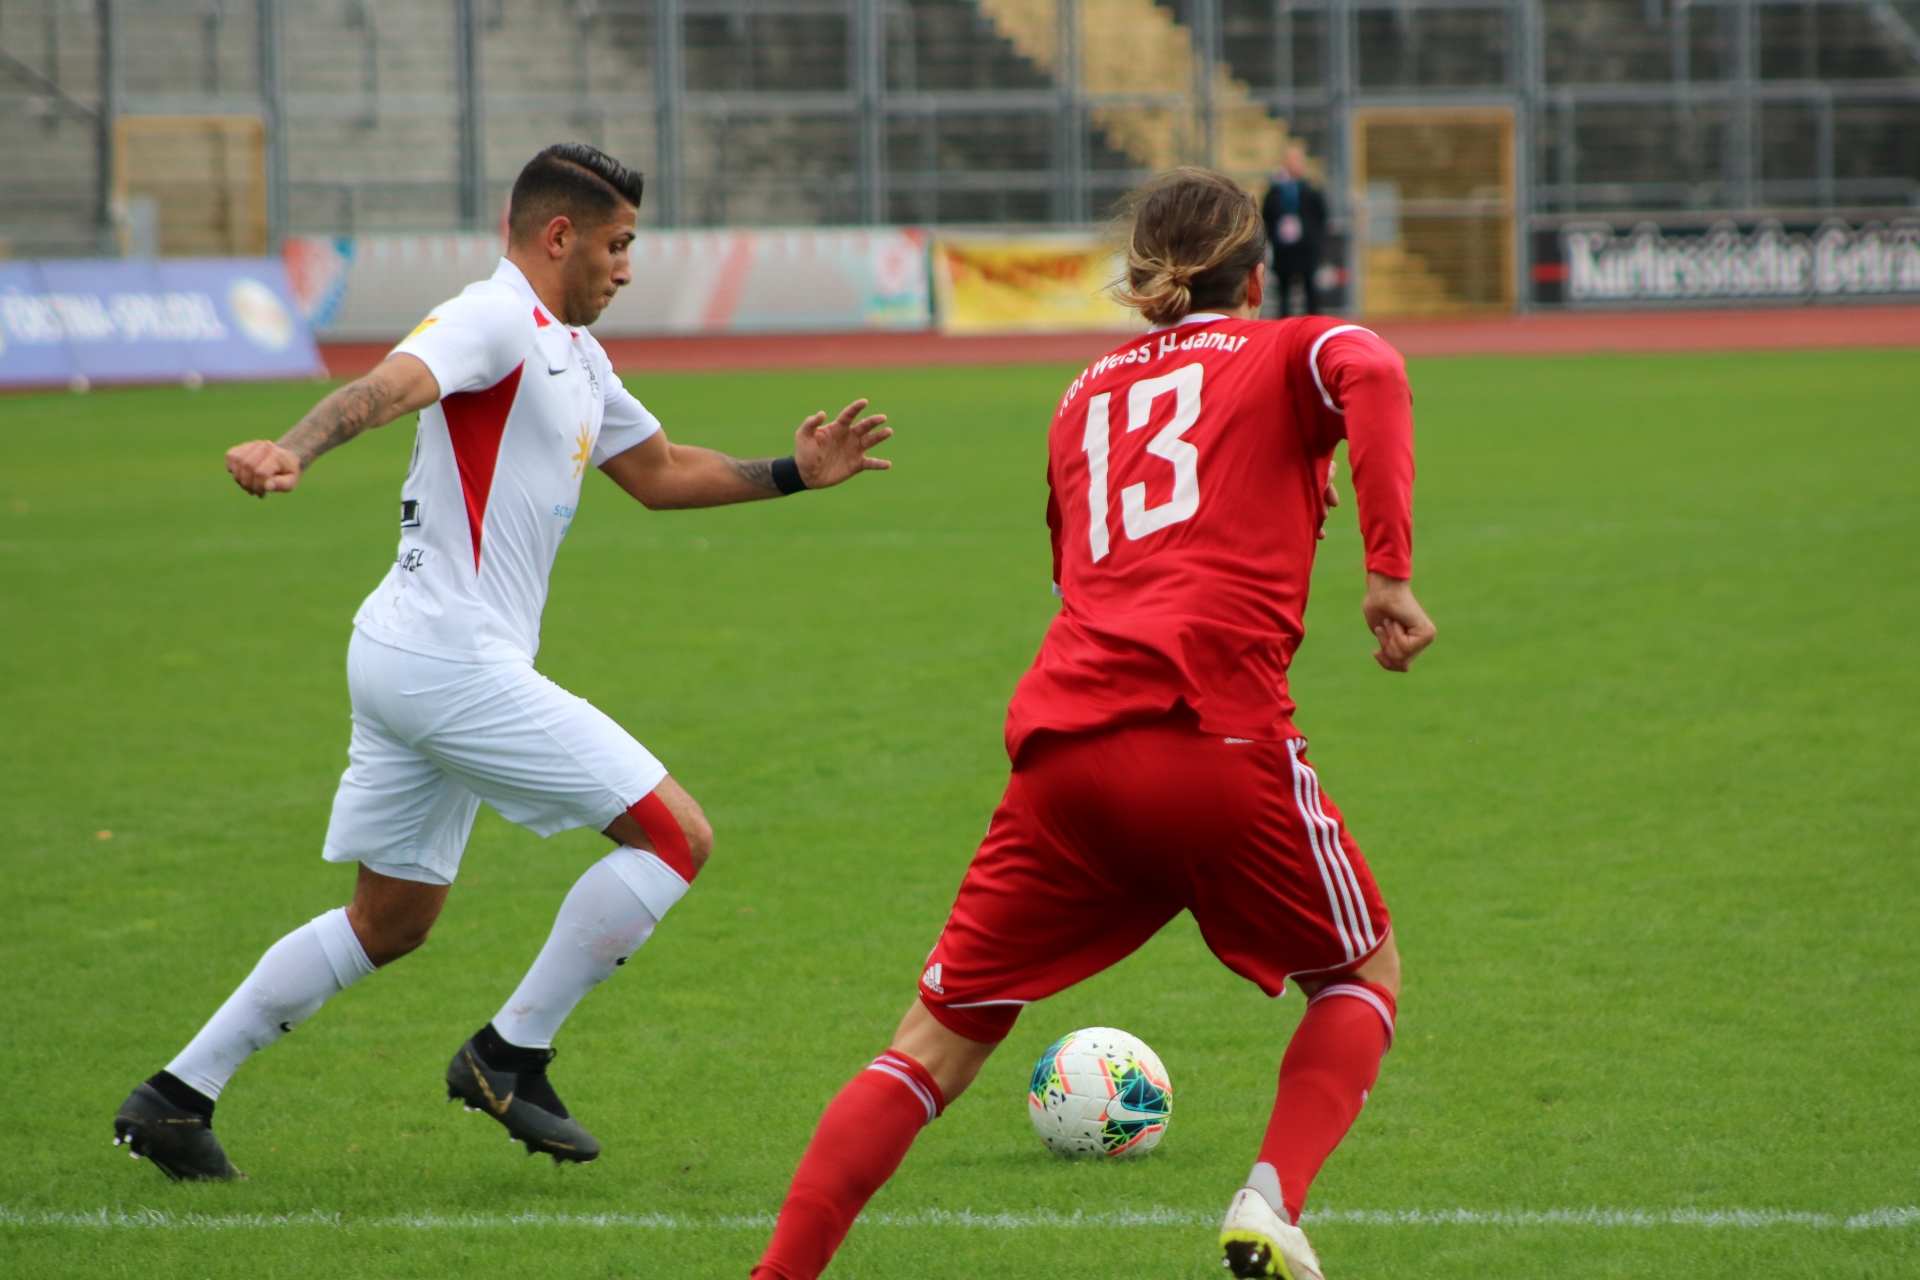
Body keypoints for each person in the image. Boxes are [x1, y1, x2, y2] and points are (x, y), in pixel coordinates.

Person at [110, 142, 893, 1182]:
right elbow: (393, 383)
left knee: (389, 920)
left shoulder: (573, 350)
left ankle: (173, 1098)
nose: (626, 266)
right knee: (675, 836)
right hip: (448, 660)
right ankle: (508, 1054)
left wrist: (797, 470)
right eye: (616, 245)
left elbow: (660, 473)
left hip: (403, 650)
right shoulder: (492, 316)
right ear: (556, 235)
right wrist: (296, 446)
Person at [748, 166, 1434, 1280]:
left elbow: (1083, 561)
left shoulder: (1081, 397)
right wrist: (1387, 572)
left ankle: (776, 1274)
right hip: (1212, 736)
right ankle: (1270, 1200)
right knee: (1361, 974)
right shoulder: (1277, 348)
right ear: (1256, 279)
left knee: (931, 1044)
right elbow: (1374, 364)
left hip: (1063, 755)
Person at [1263, 143, 1328, 316]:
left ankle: (1313, 328)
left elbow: (1322, 215)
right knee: (1284, 293)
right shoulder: (1276, 190)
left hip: (1307, 249)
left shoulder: (1311, 188)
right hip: (1285, 250)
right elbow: (1267, 216)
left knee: (1310, 291)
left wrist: (1315, 240)